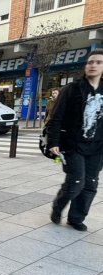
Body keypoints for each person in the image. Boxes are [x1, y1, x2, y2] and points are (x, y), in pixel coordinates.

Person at [47, 49, 103, 231]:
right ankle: (58, 206)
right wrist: (54, 142)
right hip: (73, 145)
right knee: (76, 182)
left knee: (90, 184)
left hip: (97, 147)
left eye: (98, 62)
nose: (93, 65)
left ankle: (76, 218)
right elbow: (56, 117)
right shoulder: (72, 89)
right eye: (90, 62)